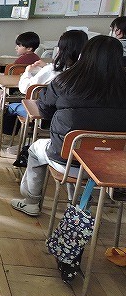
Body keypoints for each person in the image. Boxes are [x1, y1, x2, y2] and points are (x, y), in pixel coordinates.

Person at [11, 35, 126, 216]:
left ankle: (31, 202)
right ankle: (80, 205)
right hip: (112, 167)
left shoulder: (65, 81)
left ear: (84, 54)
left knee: (35, 149)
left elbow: (44, 111)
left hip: (67, 160)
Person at [7, 30, 88, 120]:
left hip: (44, 114)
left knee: (9, 107)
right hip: (71, 117)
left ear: (61, 49)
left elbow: (25, 88)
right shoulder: (85, 73)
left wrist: (27, 72)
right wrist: (46, 66)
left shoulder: (51, 70)